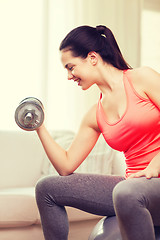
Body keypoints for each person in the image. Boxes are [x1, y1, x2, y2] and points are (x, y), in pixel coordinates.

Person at [35, 25, 160, 240]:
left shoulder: (142, 79)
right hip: (133, 186)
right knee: (46, 187)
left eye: (70, 67)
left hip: (149, 184)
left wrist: (155, 164)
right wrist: (39, 126)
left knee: (125, 192)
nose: (68, 76)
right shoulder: (95, 115)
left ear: (92, 57)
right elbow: (65, 166)